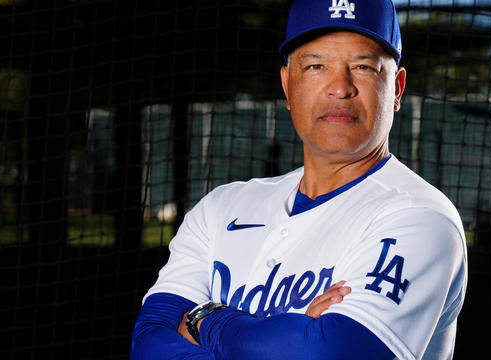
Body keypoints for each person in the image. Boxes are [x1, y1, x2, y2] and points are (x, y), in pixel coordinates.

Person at [131, 0, 467, 359]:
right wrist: (291, 334)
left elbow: (332, 353)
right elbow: (149, 343)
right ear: (287, 84)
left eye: (363, 66)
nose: (340, 87)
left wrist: (205, 319)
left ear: (397, 88)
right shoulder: (219, 208)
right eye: (316, 66)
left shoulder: (421, 217)